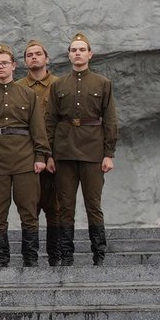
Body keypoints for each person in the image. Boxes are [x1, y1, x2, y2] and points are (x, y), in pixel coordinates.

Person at [0, 45, 50, 268]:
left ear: (14, 66)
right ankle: (1, 260)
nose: (1, 67)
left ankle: (30, 259)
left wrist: (40, 156)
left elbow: (37, 127)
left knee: (29, 211)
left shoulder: (28, 94)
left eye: (4, 63)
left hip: (25, 158)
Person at [45, 32, 119, 265]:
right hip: (65, 152)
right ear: (68, 55)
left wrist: (108, 154)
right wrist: (48, 154)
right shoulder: (58, 85)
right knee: (65, 207)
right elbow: (50, 120)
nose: (77, 53)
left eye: (81, 49)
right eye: (73, 50)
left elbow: (110, 120)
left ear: (90, 54)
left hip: (93, 152)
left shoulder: (102, 83)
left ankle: (99, 255)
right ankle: (67, 256)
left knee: (93, 205)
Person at [18, 39, 63, 263]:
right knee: (30, 208)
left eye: (38, 54)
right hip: (27, 158)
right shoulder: (17, 88)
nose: (34, 57)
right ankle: (30, 257)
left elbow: (61, 125)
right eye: (29, 55)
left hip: (54, 157)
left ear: (47, 58)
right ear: (25, 61)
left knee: (54, 207)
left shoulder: (59, 84)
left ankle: (56, 256)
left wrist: (52, 155)